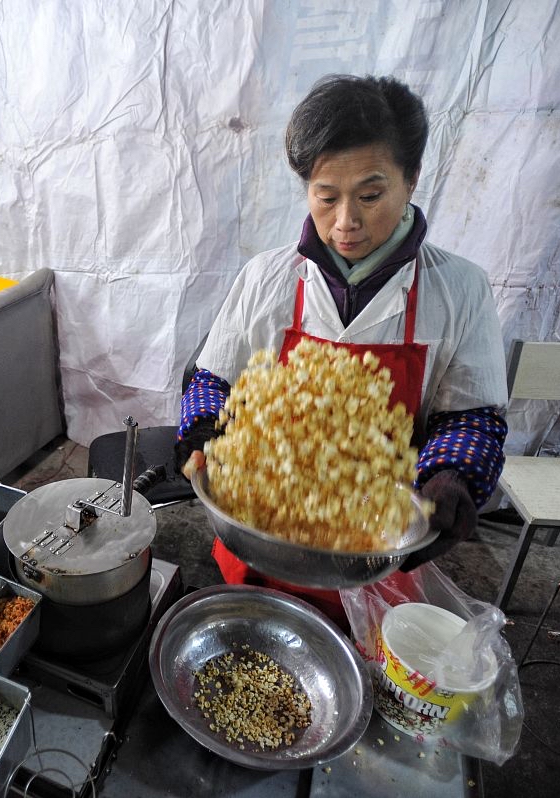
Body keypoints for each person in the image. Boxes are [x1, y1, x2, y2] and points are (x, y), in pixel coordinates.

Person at [177, 75, 508, 619]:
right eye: (325, 197)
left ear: (413, 179)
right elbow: (213, 380)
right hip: (260, 536)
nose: (345, 222)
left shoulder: (459, 289)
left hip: (373, 550)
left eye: (371, 196)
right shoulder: (268, 278)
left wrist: (452, 479)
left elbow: (470, 419)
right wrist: (205, 426)